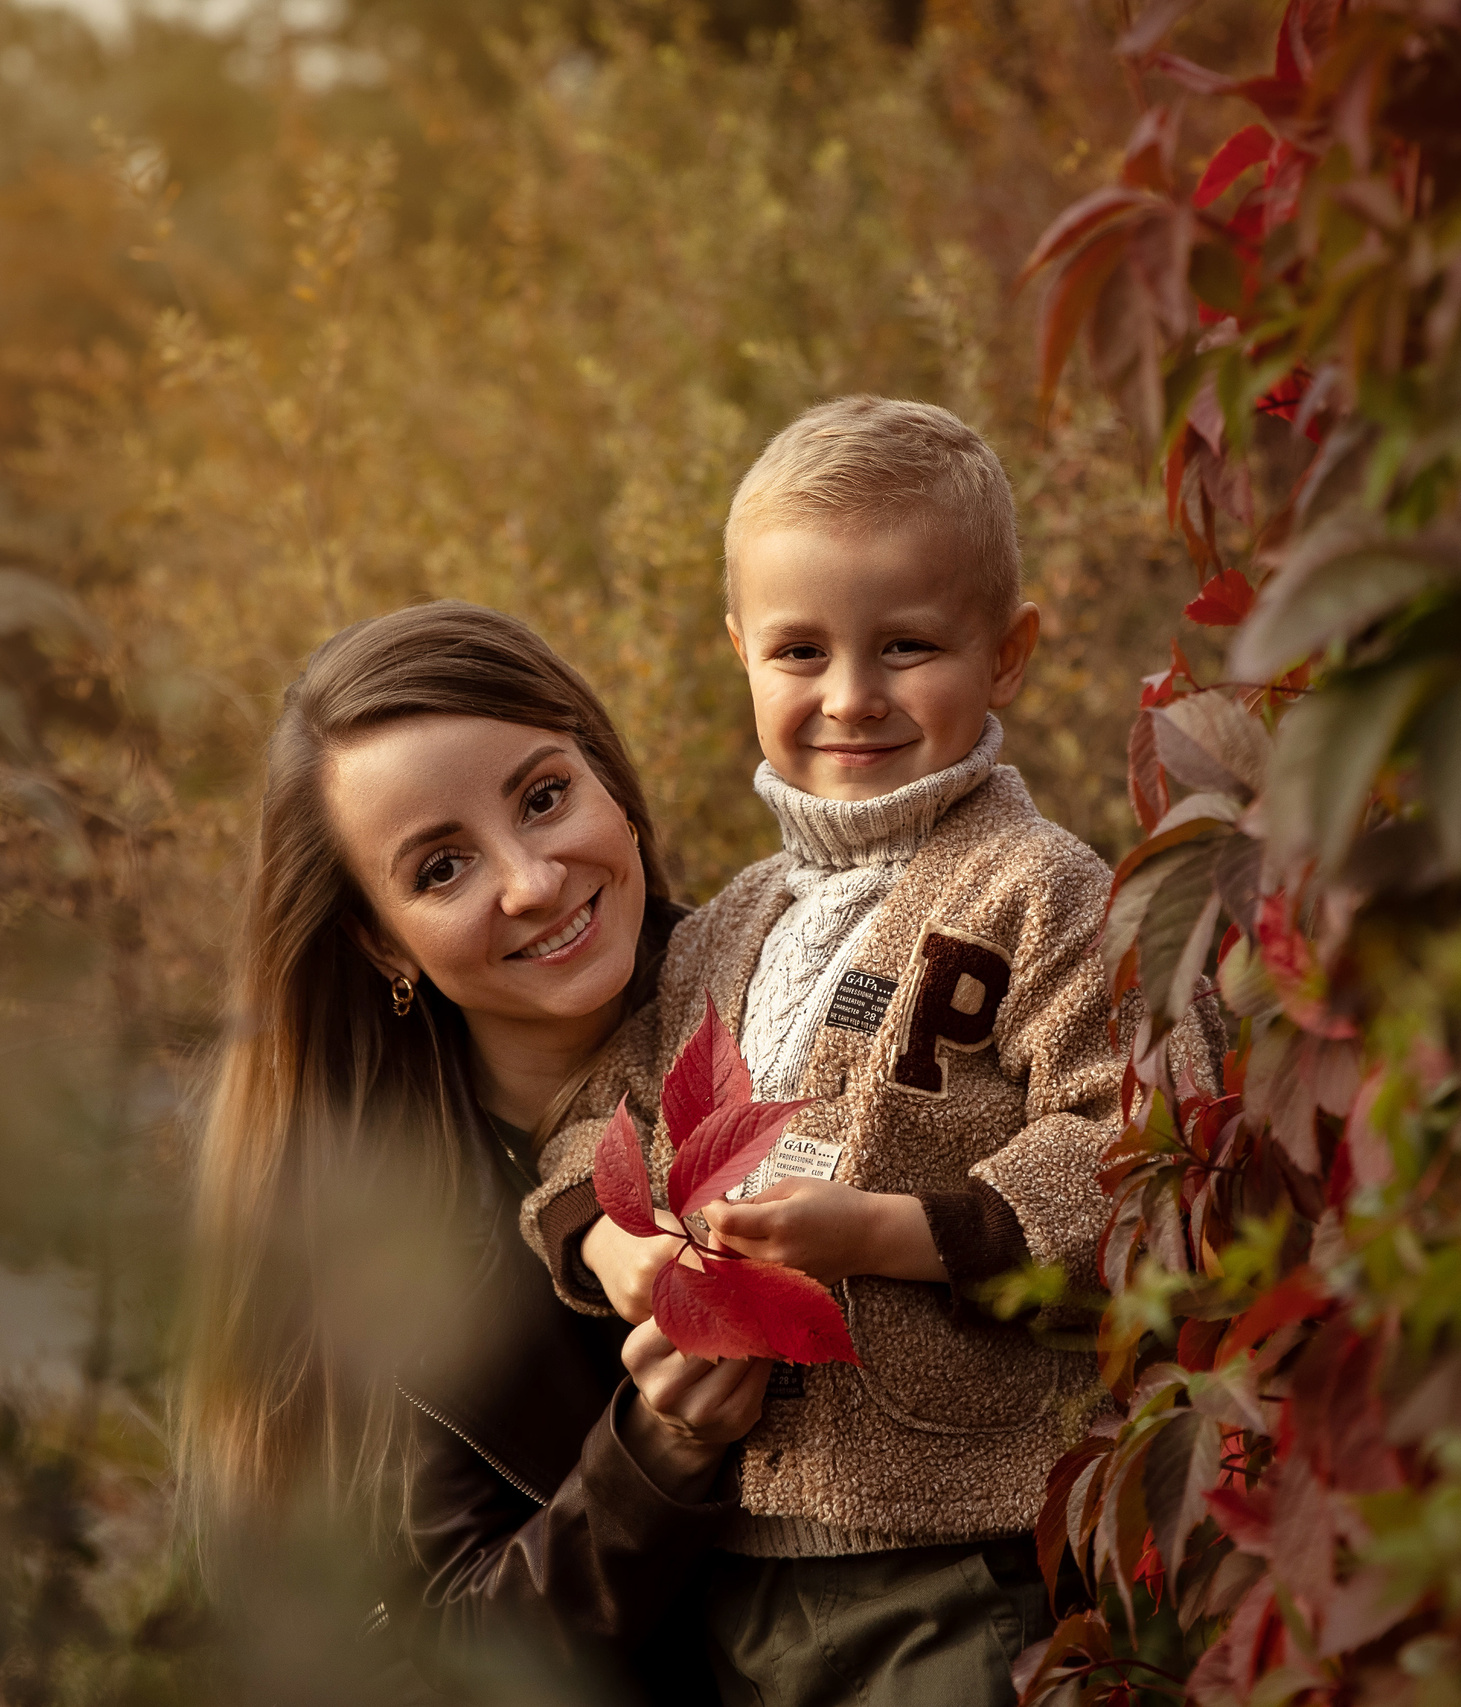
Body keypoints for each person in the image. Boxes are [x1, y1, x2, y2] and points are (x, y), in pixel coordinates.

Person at [519, 396, 1126, 1706]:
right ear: (740, 650)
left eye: (908, 645)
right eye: (800, 650)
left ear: (1009, 651)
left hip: (957, 1547)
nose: (852, 696)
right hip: (739, 1552)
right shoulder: (724, 930)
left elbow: (1119, 1147)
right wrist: (616, 1243)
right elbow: (587, 1128)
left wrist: (879, 1231)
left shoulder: (1040, 890)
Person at [176, 602, 767, 1702]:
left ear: (608, 781)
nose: (532, 882)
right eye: (439, 870)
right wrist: (655, 1460)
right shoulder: (383, 1256)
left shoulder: (815, 1004)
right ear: (375, 938)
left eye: (544, 798)